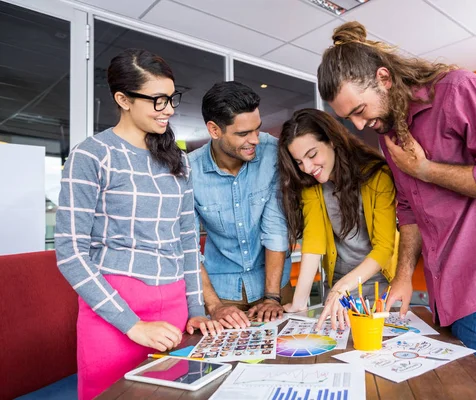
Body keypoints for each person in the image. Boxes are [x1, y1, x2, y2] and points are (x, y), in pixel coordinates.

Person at [317, 21, 476, 384]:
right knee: (450, 385)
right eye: (349, 119)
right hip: (445, 283)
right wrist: (405, 276)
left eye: (360, 110)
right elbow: (408, 208)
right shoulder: (389, 132)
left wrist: (426, 169)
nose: (360, 125)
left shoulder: (460, 90)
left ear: (384, 77)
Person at [54, 49, 221, 400]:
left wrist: (194, 310)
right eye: (158, 100)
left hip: (175, 307)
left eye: (172, 98)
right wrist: (132, 325)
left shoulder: (177, 160)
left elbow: (188, 241)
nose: (170, 109)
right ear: (123, 99)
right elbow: (70, 253)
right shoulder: (91, 155)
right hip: (114, 312)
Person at [278, 108, 398, 330]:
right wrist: (299, 302)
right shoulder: (311, 185)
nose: (307, 168)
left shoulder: (377, 176)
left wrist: (342, 287)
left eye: (312, 155)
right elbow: (313, 244)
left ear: (332, 141)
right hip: (337, 291)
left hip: (380, 287)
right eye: (299, 162)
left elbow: (384, 248)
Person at [189, 81, 292, 329]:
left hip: (275, 285)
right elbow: (187, 247)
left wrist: (271, 296)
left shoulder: (272, 153)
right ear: (214, 130)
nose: (255, 140)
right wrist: (214, 306)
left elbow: (275, 228)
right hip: (220, 292)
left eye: (257, 129)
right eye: (243, 134)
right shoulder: (189, 171)